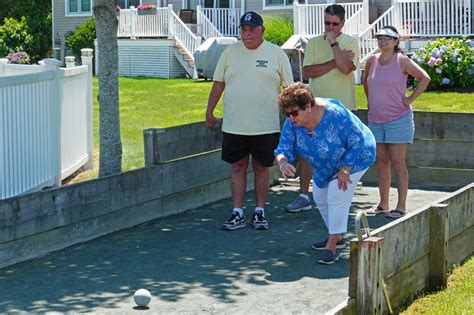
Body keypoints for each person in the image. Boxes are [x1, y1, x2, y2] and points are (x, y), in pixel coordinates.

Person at [206, 11, 294, 231]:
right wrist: (209, 112)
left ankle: (260, 212)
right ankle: (237, 213)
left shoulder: (276, 54)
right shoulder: (229, 53)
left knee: (261, 167)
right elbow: (218, 84)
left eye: (252, 29)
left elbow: (289, 89)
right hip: (235, 124)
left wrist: (294, 116)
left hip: (266, 125)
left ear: (262, 30)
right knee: (237, 166)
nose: (247, 34)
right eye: (243, 29)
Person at [274, 83, 376, 264]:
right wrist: (283, 162)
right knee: (320, 197)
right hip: (324, 163)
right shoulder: (292, 124)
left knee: (337, 193)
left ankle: (332, 244)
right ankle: (336, 235)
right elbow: (283, 148)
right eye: (287, 114)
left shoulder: (335, 114)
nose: (291, 118)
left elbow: (357, 139)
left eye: (294, 113)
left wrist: (345, 169)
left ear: (308, 107)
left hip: (357, 156)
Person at [285, 4, 360, 213]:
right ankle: (303, 196)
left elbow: (346, 68)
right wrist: (334, 60)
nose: (330, 27)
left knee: (342, 153)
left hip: (343, 109)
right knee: (308, 152)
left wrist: (335, 45)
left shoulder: (351, 42)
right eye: (327, 23)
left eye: (335, 24)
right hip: (314, 108)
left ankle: (339, 196)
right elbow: (308, 70)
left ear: (342, 23)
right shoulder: (315, 43)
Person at [363, 26, 430, 219]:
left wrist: (410, 99)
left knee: (398, 162)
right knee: (382, 162)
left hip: (398, 119)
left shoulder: (402, 60)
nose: (383, 41)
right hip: (376, 119)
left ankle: (401, 207)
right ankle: (383, 204)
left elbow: (424, 78)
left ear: (395, 41)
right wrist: (371, 103)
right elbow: (366, 82)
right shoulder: (371, 61)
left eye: (387, 38)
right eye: (380, 38)